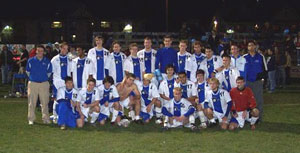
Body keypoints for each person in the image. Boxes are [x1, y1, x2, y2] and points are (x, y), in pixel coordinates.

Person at [26, 45, 52, 125]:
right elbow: (28, 72)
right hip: (33, 83)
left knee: (45, 102)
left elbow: (49, 73)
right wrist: (34, 78)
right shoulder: (30, 61)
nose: (40, 52)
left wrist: (42, 79)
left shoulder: (47, 61)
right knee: (32, 102)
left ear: (43, 52)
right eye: (38, 50)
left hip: (44, 83)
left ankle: (46, 119)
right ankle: (31, 119)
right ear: (36, 51)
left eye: (41, 51)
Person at [244, 41, 267, 121]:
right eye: (249, 45)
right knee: (247, 100)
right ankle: (248, 117)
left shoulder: (260, 56)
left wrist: (263, 79)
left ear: (255, 46)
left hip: (257, 82)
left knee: (258, 100)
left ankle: (259, 118)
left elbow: (265, 69)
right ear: (247, 47)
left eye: (252, 45)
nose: (250, 47)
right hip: (247, 82)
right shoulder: (244, 57)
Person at [51, 42, 72, 123]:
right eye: (63, 48)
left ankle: (64, 115)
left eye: (67, 49)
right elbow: (52, 72)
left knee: (66, 99)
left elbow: (71, 71)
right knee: (56, 99)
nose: (65, 50)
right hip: (57, 83)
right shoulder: (54, 59)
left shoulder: (69, 59)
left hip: (66, 83)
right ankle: (55, 116)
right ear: (60, 48)